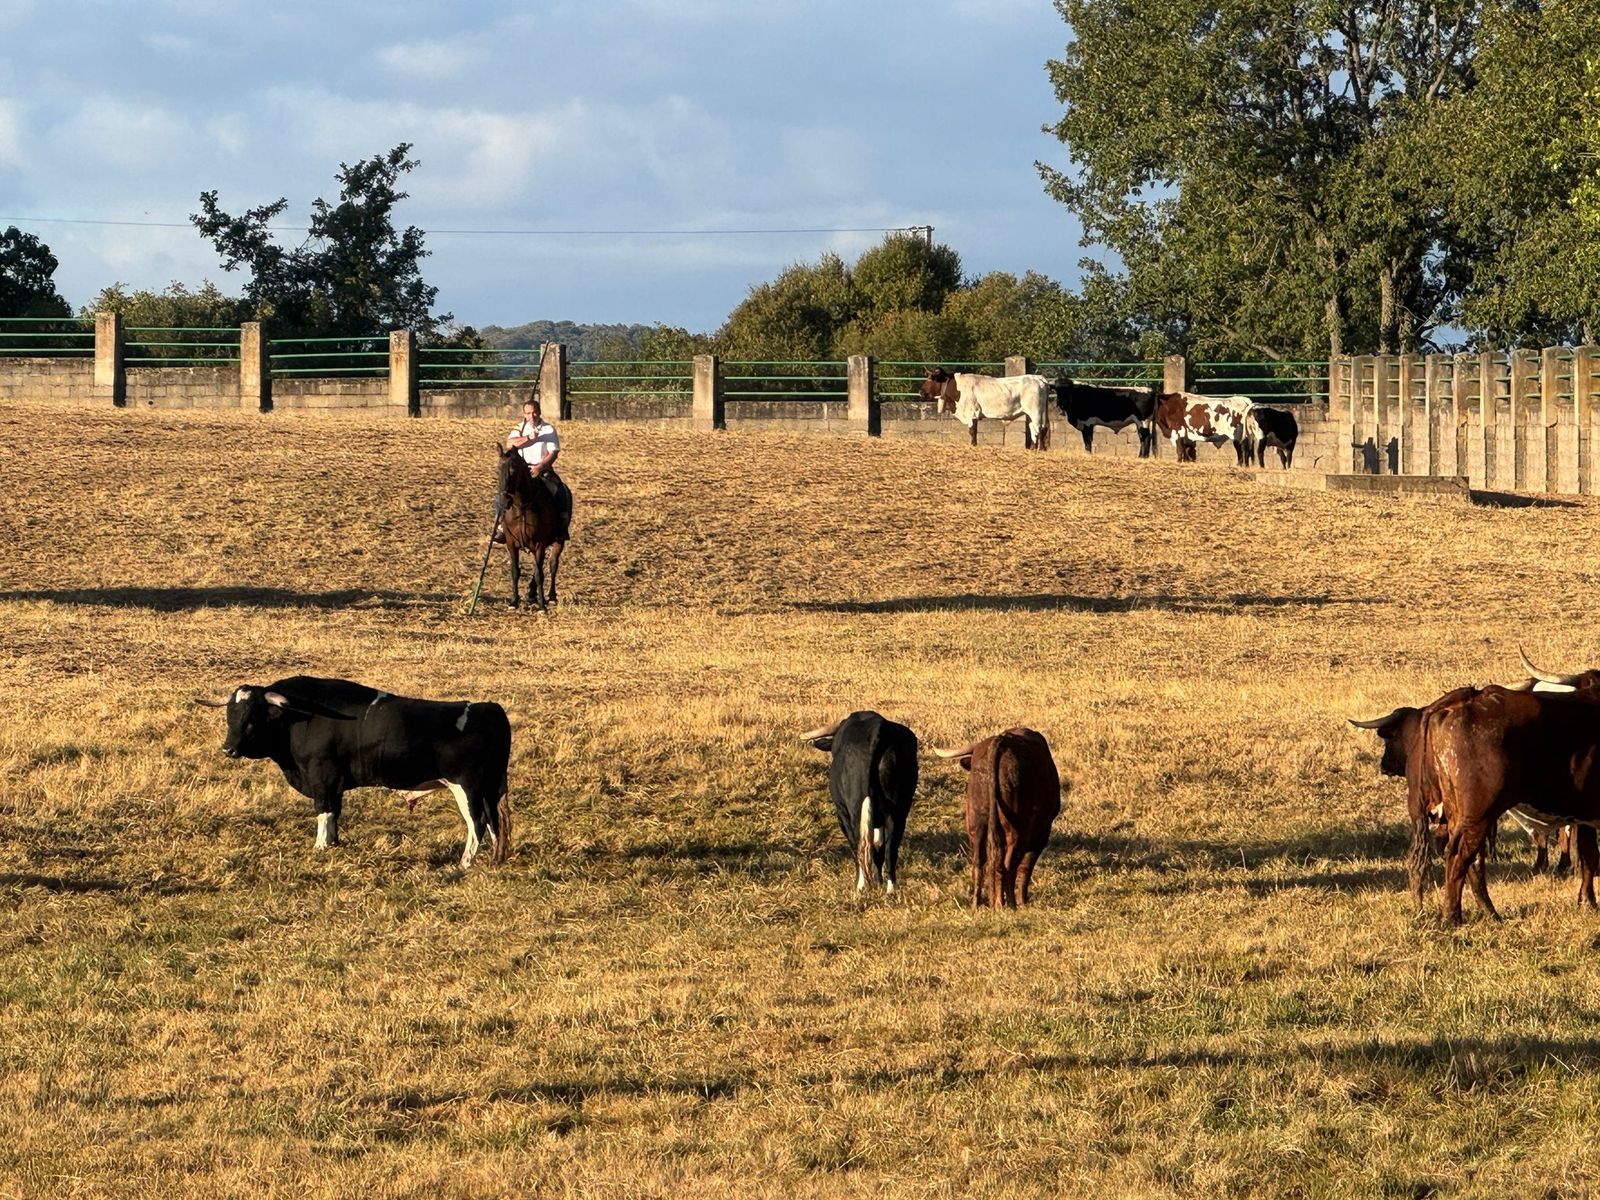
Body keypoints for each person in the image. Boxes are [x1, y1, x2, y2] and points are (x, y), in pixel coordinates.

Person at [495, 396, 572, 543]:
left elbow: (553, 453)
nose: (532, 416)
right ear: (524, 414)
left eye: (534, 412)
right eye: (528, 413)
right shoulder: (519, 428)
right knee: (503, 491)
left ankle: (561, 525)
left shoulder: (548, 429)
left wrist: (540, 466)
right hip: (521, 470)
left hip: (542, 468)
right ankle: (500, 524)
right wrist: (529, 438)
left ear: (539, 412)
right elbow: (510, 444)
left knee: (560, 490)